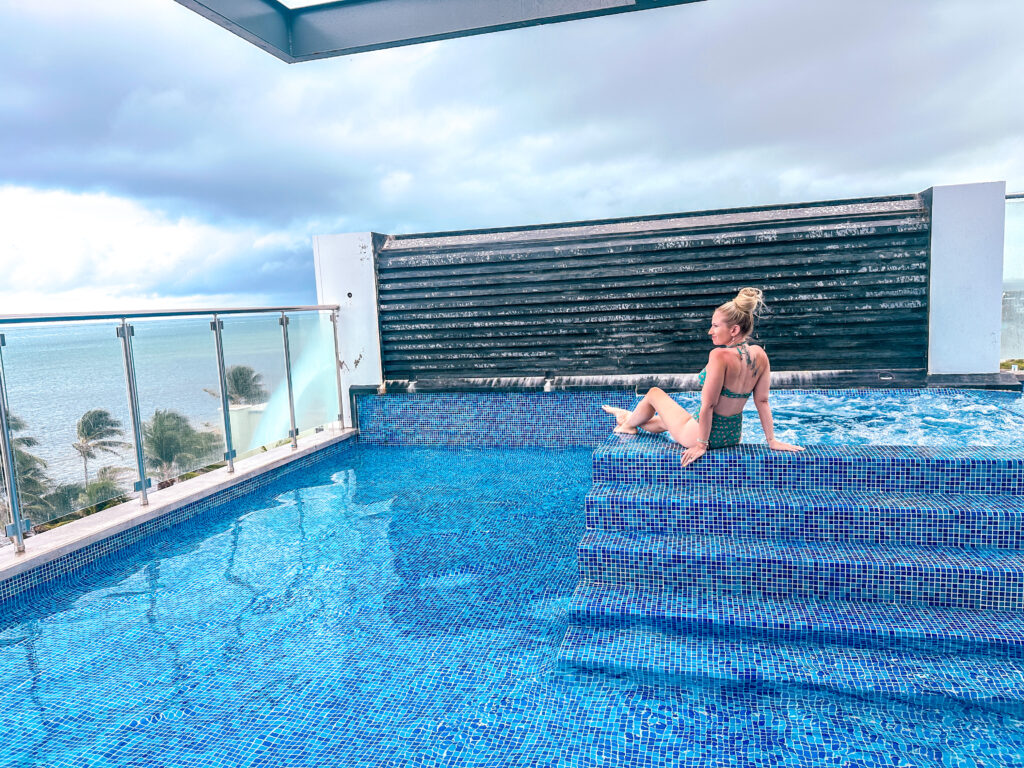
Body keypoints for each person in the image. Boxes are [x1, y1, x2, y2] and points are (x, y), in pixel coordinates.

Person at [602, 287, 804, 466]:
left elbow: (708, 405)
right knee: (665, 422)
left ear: (734, 330)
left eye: (716, 326)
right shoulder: (760, 354)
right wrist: (772, 441)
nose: (710, 331)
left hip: (701, 436)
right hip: (732, 436)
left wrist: (701, 445)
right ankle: (627, 417)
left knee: (654, 393)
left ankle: (628, 425)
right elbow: (762, 401)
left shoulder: (719, 356)